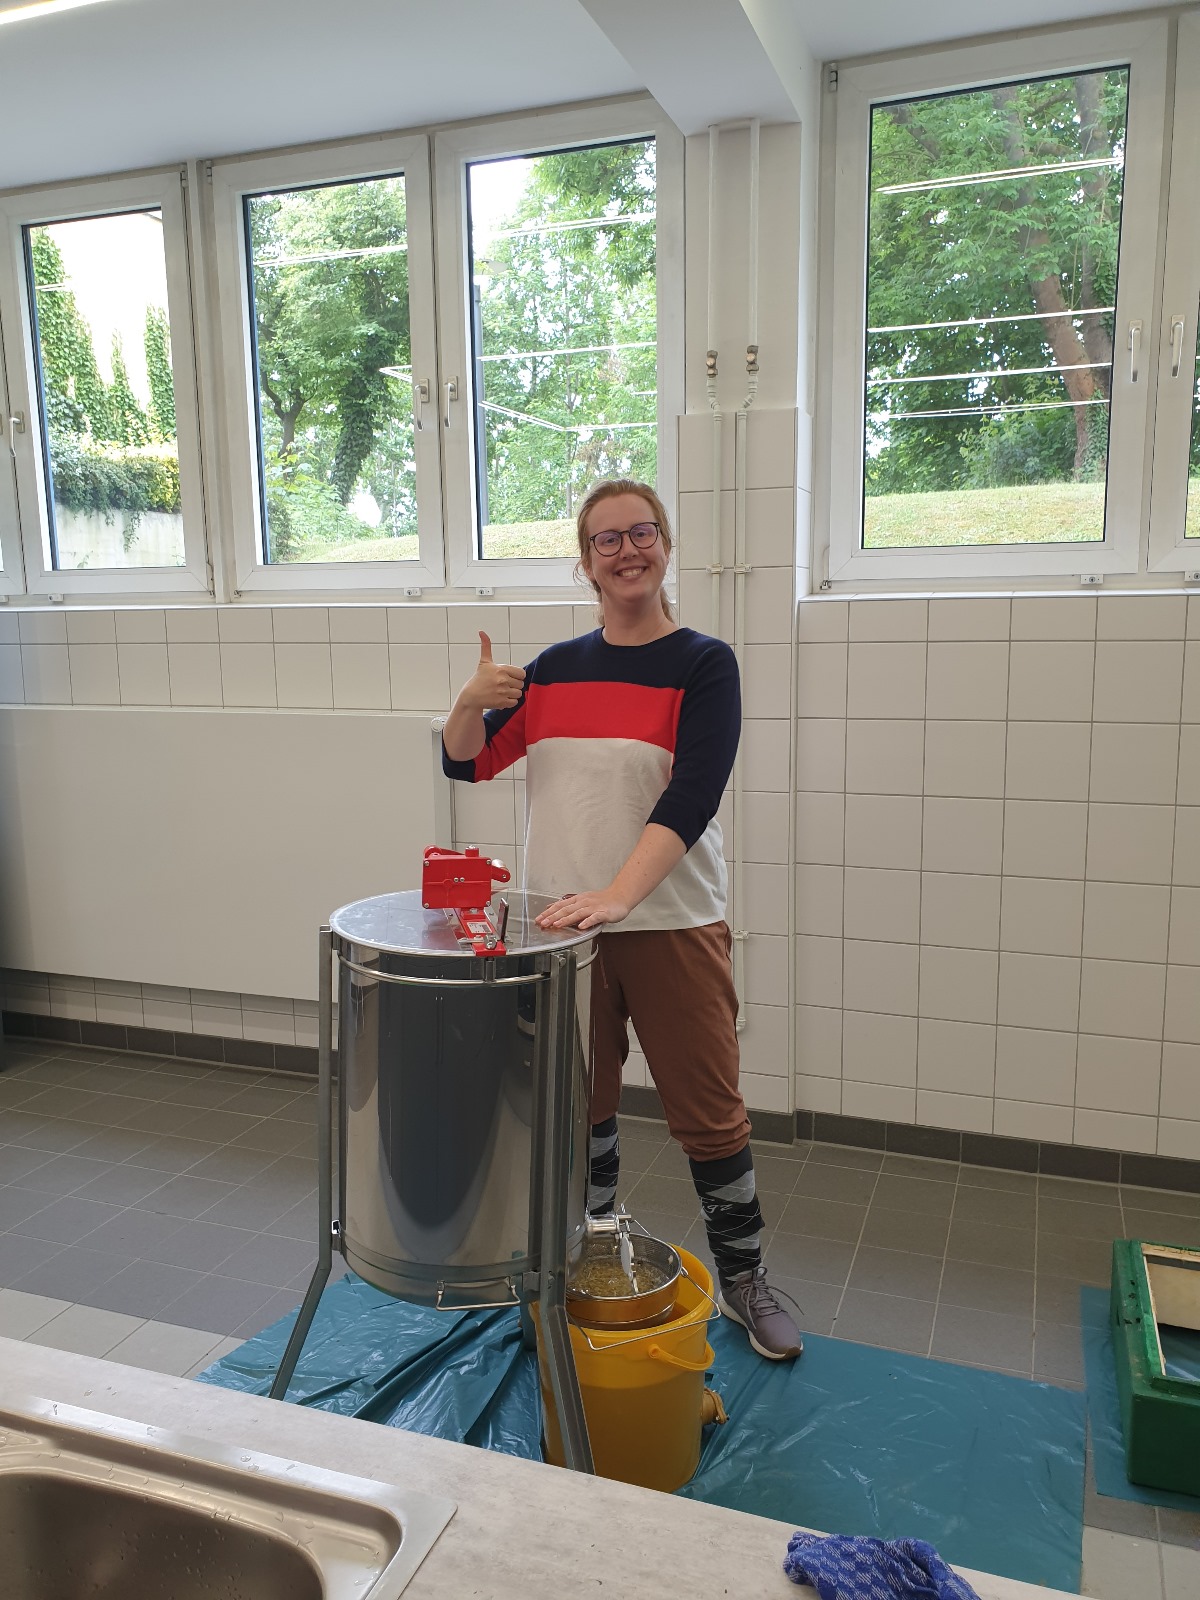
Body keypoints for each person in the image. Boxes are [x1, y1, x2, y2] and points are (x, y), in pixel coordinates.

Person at [441, 478, 802, 1360]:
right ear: (587, 561)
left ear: (666, 546)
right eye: (607, 539)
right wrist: (467, 702)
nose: (627, 550)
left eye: (642, 533)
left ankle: (744, 1277)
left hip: (671, 919)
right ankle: (588, 1253)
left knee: (709, 1113)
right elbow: (467, 765)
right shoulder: (553, 670)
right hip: (565, 930)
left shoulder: (704, 664)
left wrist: (619, 896)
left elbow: (693, 794)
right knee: (579, 1108)